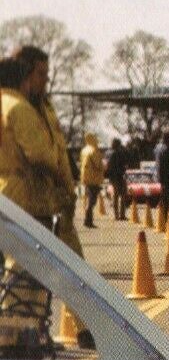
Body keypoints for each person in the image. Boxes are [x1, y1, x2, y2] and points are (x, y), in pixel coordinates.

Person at [1, 44, 81, 257]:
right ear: (25, 74)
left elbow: (60, 153)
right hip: (32, 200)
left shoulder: (45, 107)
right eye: (40, 74)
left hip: (51, 199)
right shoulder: (20, 108)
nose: (46, 79)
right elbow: (43, 156)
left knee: (67, 269)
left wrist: (68, 189)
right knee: (39, 271)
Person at [78, 132, 105, 230]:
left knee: (89, 198)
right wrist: (103, 167)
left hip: (85, 178)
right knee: (92, 201)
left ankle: (88, 220)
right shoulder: (94, 151)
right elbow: (98, 165)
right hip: (94, 179)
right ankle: (88, 220)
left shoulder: (84, 150)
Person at [152, 128, 169, 219]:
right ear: (168, 138)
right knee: (167, 199)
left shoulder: (157, 147)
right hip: (167, 178)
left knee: (162, 198)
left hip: (159, 176)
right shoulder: (167, 149)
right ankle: (165, 219)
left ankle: (161, 218)